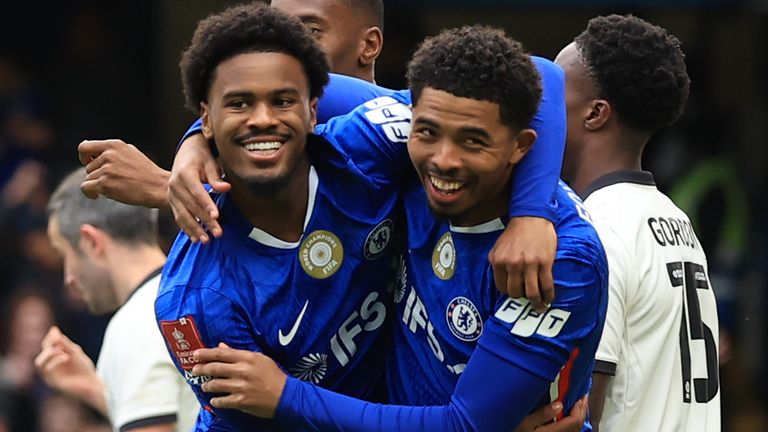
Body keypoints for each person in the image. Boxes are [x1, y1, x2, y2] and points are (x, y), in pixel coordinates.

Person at [190, 25, 607, 431]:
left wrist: (285, 395)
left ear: (520, 146)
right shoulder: (407, 154)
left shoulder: (562, 261)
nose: (444, 159)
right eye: (427, 132)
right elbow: (274, 95)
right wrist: (194, 144)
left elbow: (465, 424)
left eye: (473, 142)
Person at [77, 0, 562, 308]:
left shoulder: (391, 121)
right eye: (269, 31)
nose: (276, 49)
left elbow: (544, 75)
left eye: (306, 32)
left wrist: (531, 215)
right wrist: (190, 153)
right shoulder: (200, 275)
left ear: (369, 44)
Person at [553, 14, 720, 431]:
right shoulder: (674, 219)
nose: (537, 109)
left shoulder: (596, 230)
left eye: (553, 92)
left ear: (595, 113)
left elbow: (581, 412)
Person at [35, 167, 198, 432]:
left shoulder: (134, 325)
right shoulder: (197, 292)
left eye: (64, 255)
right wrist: (94, 390)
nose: (68, 277)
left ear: (91, 242)